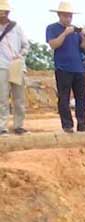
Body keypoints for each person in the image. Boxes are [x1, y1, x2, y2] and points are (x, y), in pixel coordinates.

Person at [45, 1, 85, 133]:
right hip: (63, 68)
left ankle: (82, 124)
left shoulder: (76, 30)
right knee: (64, 98)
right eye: (65, 16)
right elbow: (53, 44)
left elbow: (84, 47)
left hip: (78, 69)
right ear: (59, 15)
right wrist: (65, 33)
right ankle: (67, 125)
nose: (68, 18)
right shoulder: (52, 28)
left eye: (70, 16)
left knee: (81, 98)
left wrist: (84, 37)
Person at [0, 0, 28, 135]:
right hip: (1, 66)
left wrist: (20, 56)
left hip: (16, 66)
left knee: (19, 98)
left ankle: (19, 125)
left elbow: (25, 45)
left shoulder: (16, 27)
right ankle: (2, 126)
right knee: (2, 98)